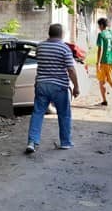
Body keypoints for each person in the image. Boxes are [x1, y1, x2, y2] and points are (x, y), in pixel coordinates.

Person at [26, 24, 80, 153]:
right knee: (64, 114)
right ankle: (65, 142)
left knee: (38, 113)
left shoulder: (40, 47)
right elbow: (71, 69)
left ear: (49, 33)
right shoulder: (64, 48)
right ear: (61, 34)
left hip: (41, 85)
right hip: (59, 86)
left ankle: (32, 142)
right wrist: (76, 86)